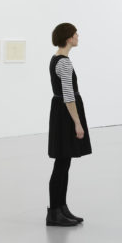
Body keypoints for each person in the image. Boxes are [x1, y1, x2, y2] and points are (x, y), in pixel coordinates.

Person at [47, 23, 91, 227]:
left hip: (61, 112)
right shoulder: (63, 62)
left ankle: (61, 208)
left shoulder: (58, 59)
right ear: (68, 38)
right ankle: (55, 212)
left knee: (63, 164)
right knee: (61, 164)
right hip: (65, 115)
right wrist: (77, 123)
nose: (78, 36)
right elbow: (68, 96)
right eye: (75, 34)